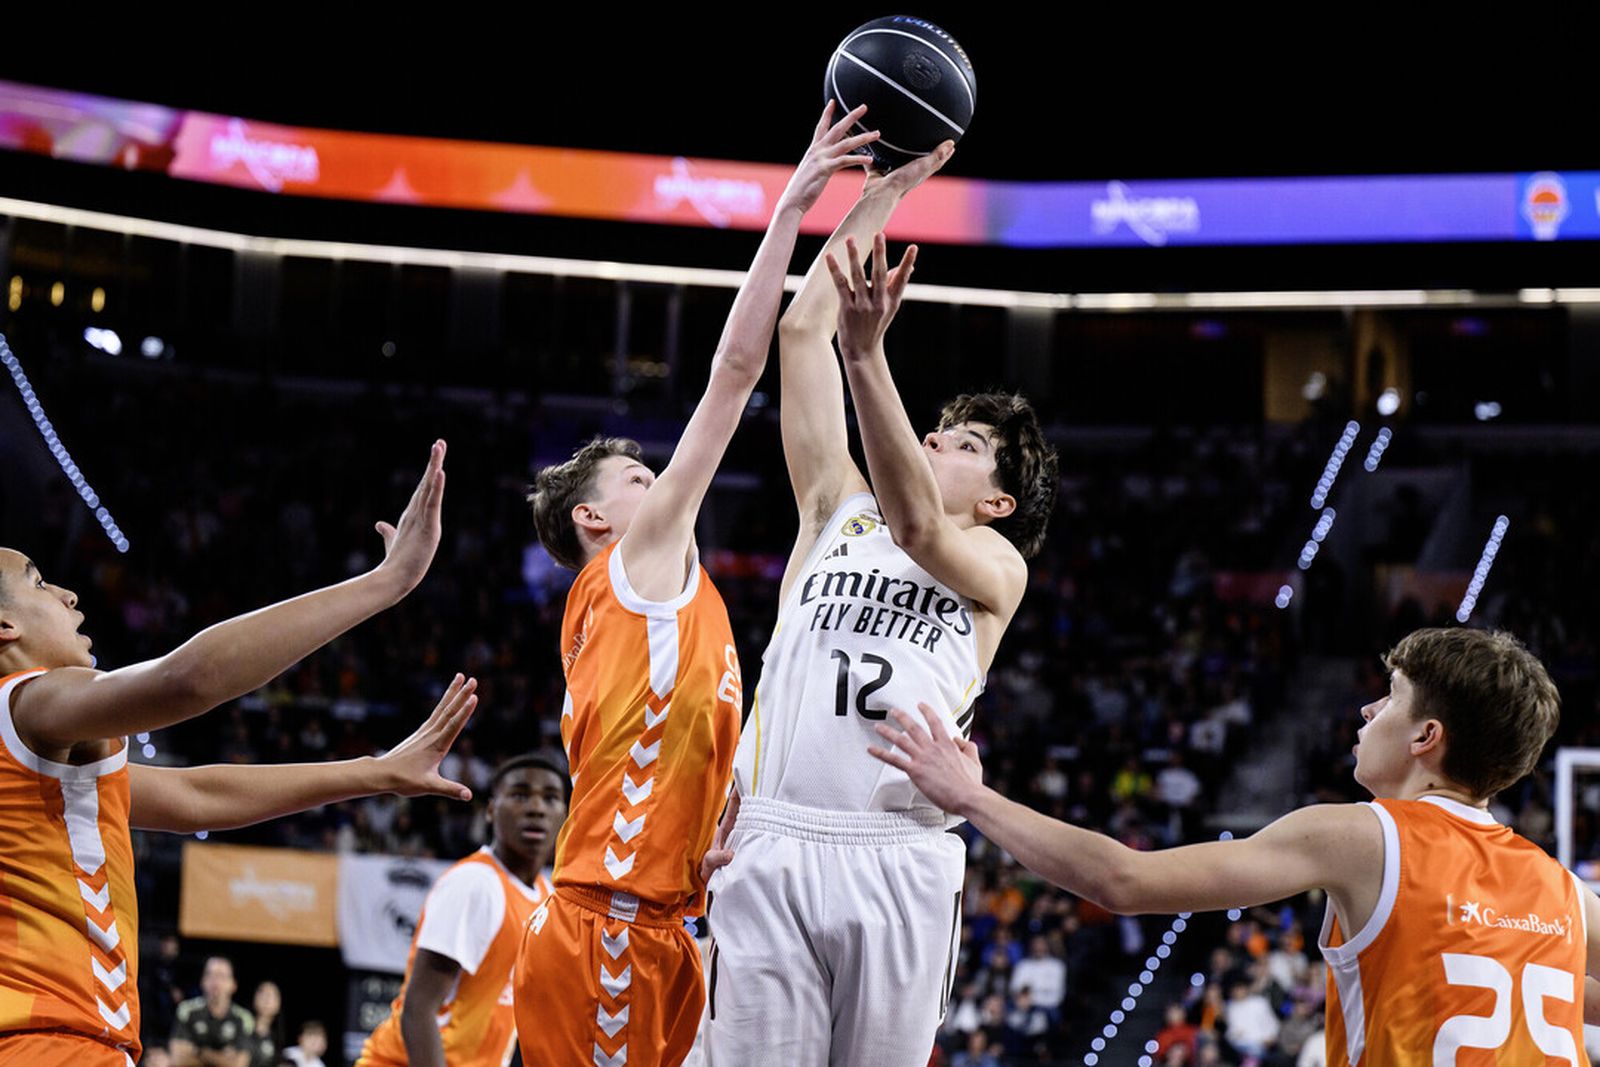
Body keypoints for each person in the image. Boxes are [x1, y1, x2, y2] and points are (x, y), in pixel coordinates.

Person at [512, 102, 880, 1067]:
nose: (660, 481)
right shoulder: (630, 567)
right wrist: (796, 199)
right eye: (636, 479)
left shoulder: (680, 598)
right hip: (610, 930)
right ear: (595, 519)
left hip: (664, 927)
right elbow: (735, 368)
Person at [702, 159, 1059, 1065]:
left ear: (1002, 501)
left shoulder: (993, 565)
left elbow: (915, 522)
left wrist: (869, 353)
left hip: (898, 849)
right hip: (772, 832)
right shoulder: (834, 505)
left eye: (968, 443)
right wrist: (886, 188)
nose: (937, 437)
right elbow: (800, 332)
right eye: (940, 426)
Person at [872, 627, 1600, 1062]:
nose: (1369, 706)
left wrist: (971, 797)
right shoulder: (1563, 890)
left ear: (1424, 737)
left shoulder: (1361, 833)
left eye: (1392, 694)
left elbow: (1123, 880)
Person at [0, 441, 482, 1067]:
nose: (68, 594)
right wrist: (384, 584)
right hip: (47, 1043)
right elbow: (187, 680)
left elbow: (201, 795)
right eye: (39, 582)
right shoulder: (27, 701)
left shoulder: (45, 772)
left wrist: (377, 770)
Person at [357, 753, 567, 1067]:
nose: (536, 808)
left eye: (550, 798)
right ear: (491, 811)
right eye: (520, 795)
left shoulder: (548, 895)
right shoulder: (474, 883)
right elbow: (419, 1008)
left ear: (565, 814)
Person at [169, 957, 253, 1067]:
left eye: (221, 976)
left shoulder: (243, 1018)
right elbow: (178, 1060)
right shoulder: (187, 1010)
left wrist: (199, 1051)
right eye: (210, 974)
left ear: (233, 984)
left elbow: (239, 1064)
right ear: (202, 981)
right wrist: (223, 1058)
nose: (215, 981)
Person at [242, 981, 282, 1067]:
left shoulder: (277, 1039)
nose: (266, 999)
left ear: (278, 1005)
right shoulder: (240, 1026)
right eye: (262, 993)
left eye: (271, 995)